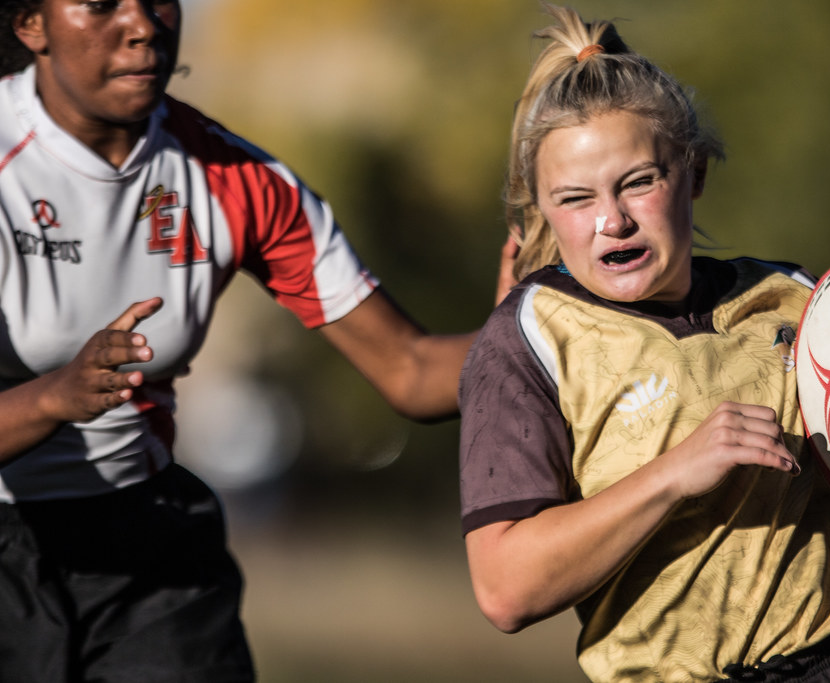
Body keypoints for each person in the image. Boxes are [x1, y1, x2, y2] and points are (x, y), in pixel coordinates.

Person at [458, 5, 830, 681]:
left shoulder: (803, 298)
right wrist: (672, 474)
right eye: (576, 197)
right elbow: (505, 589)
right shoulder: (529, 340)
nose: (611, 219)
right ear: (544, 207)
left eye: (639, 181)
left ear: (692, 172)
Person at [0, 0, 484, 680]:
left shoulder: (236, 180)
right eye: (103, 3)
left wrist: (546, 330)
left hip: (149, 558)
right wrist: (55, 397)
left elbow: (410, 368)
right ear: (31, 24)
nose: (142, 25)